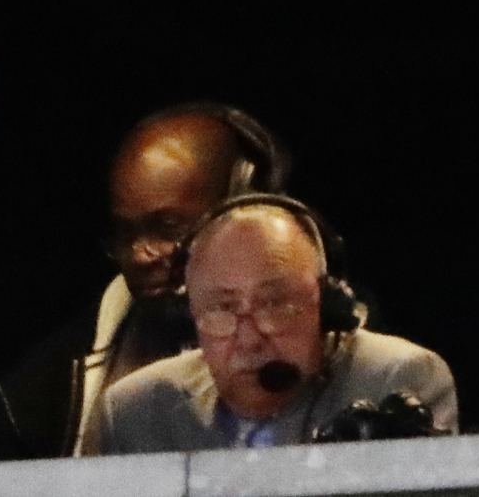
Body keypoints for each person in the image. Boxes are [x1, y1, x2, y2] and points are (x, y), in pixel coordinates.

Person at [0, 103, 290, 459]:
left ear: (248, 208)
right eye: (126, 234)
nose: (140, 255)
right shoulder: (41, 394)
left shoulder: (345, 350)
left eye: (168, 228)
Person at [99, 194, 457, 453]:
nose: (250, 338)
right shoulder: (136, 413)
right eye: (222, 308)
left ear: (328, 303)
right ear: (190, 315)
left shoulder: (395, 379)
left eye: (273, 303)